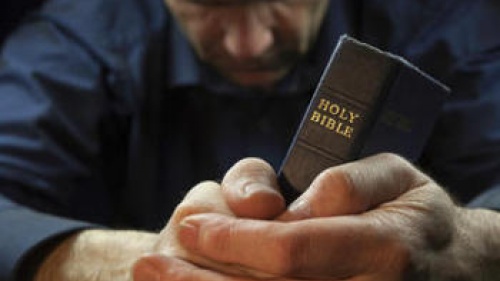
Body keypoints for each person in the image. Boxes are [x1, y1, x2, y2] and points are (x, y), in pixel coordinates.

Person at [0, 0, 499, 280]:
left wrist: (468, 244)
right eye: (207, 5)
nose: (250, 45)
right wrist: (146, 264)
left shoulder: (446, 20)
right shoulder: (77, 41)